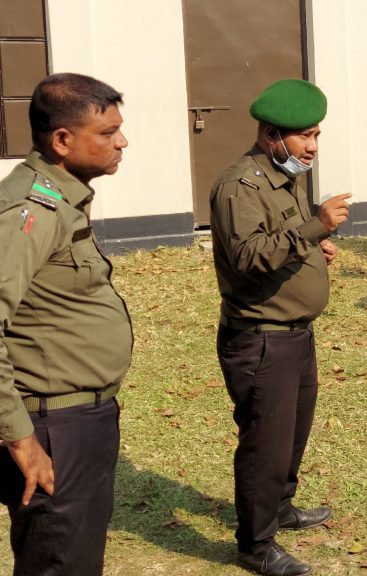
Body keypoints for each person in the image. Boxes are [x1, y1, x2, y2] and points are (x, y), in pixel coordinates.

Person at [210, 79, 351, 576]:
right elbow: (248, 256)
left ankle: (280, 506)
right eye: (303, 137)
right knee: (264, 442)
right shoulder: (240, 186)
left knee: (291, 433)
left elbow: (280, 242)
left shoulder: (282, 176)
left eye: (316, 135)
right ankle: (255, 543)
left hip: (295, 334)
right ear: (272, 136)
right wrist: (316, 227)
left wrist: (315, 250)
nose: (312, 146)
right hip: (261, 339)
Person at [0, 72, 131, 576]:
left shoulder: (60, 198)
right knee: (60, 561)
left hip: (79, 419)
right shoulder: (31, 211)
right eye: (107, 132)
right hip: (52, 428)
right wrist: (22, 440)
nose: (122, 141)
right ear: (62, 140)